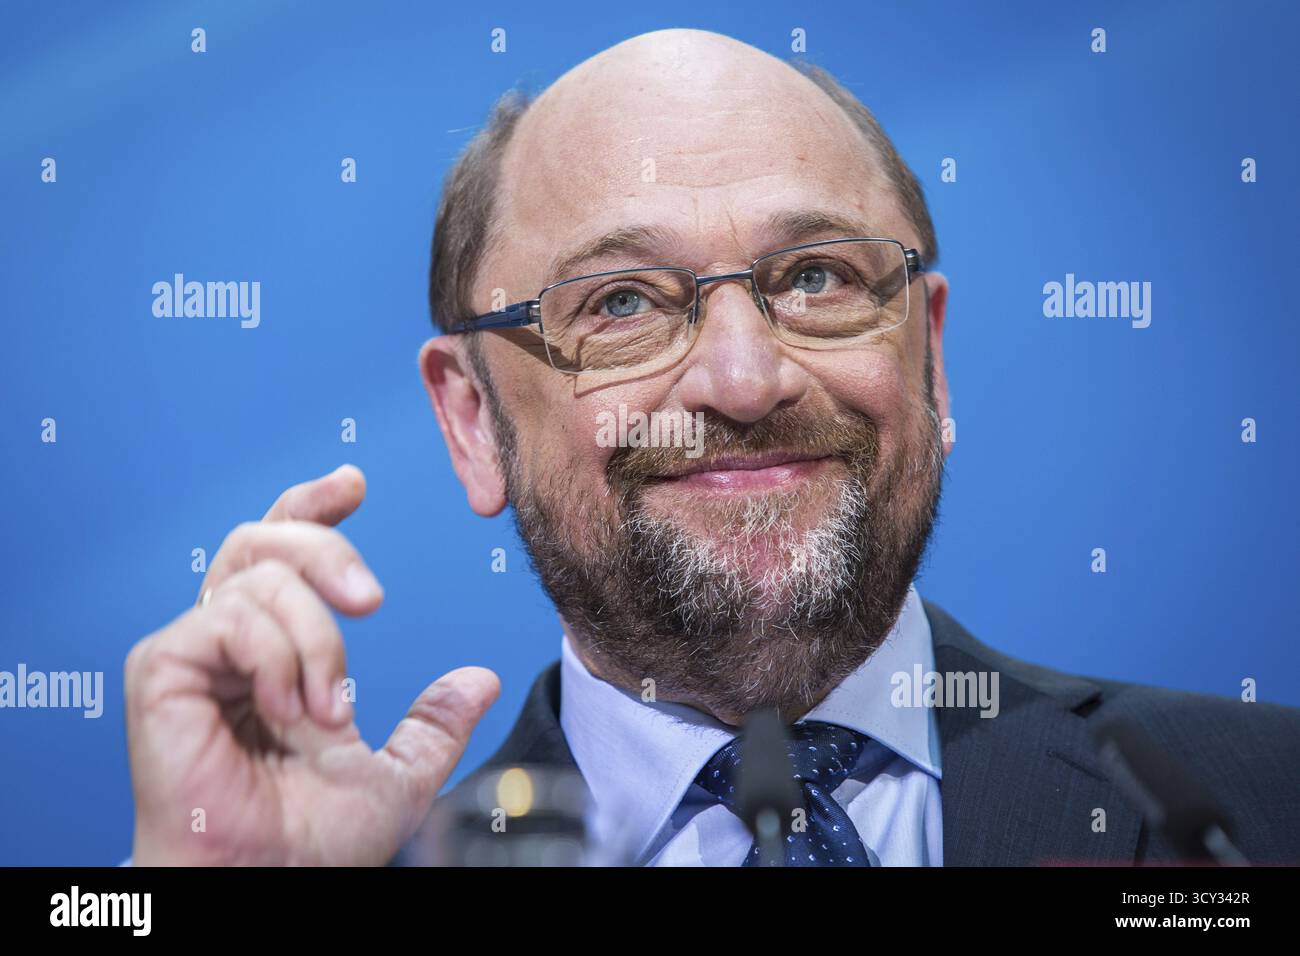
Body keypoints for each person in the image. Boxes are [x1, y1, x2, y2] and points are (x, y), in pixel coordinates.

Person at [123, 29, 1300, 867]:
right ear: (473, 419)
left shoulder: (1254, 807)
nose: (744, 381)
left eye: (819, 278)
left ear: (929, 358)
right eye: (621, 303)